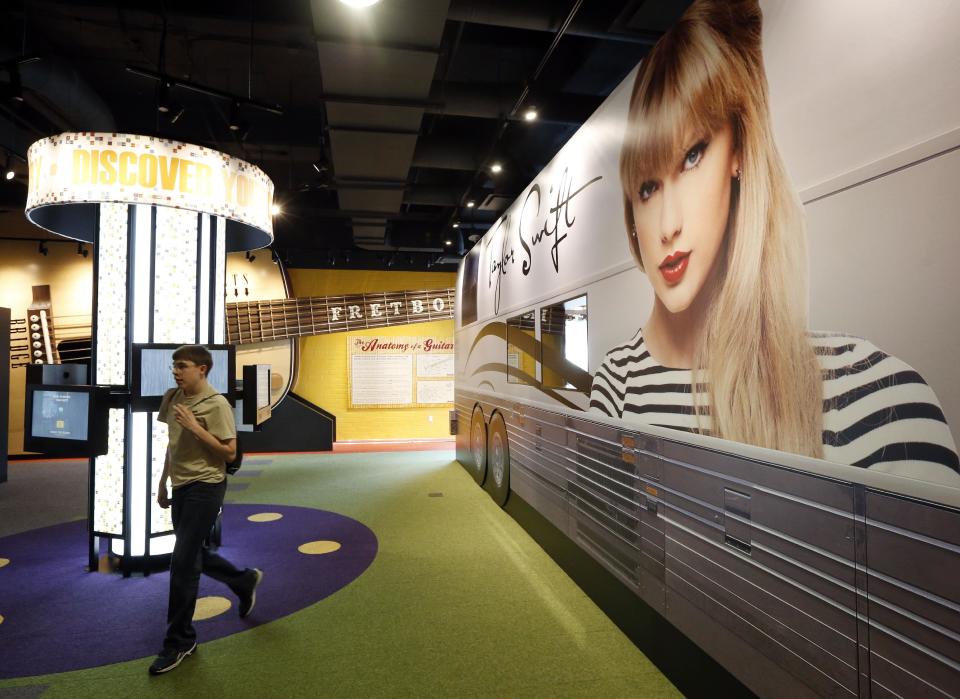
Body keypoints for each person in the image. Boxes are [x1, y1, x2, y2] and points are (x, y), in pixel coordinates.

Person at [589, 0, 959, 478]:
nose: (667, 225)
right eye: (646, 187)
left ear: (739, 149)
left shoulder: (876, 399)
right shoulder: (614, 386)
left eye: (693, 156)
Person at [149, 345, 263, 675]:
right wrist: (162, 482)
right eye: (174, 366)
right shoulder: (172, 398)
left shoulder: (217, 405)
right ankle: (243, 580)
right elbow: (174, 445)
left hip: (207, 486)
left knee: (182, 561)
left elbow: (229, 453)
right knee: (192, 553)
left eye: (182, 366)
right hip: (180, 486)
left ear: (202, 369)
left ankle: (179, 640)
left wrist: (196, 427)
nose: (176, 371)